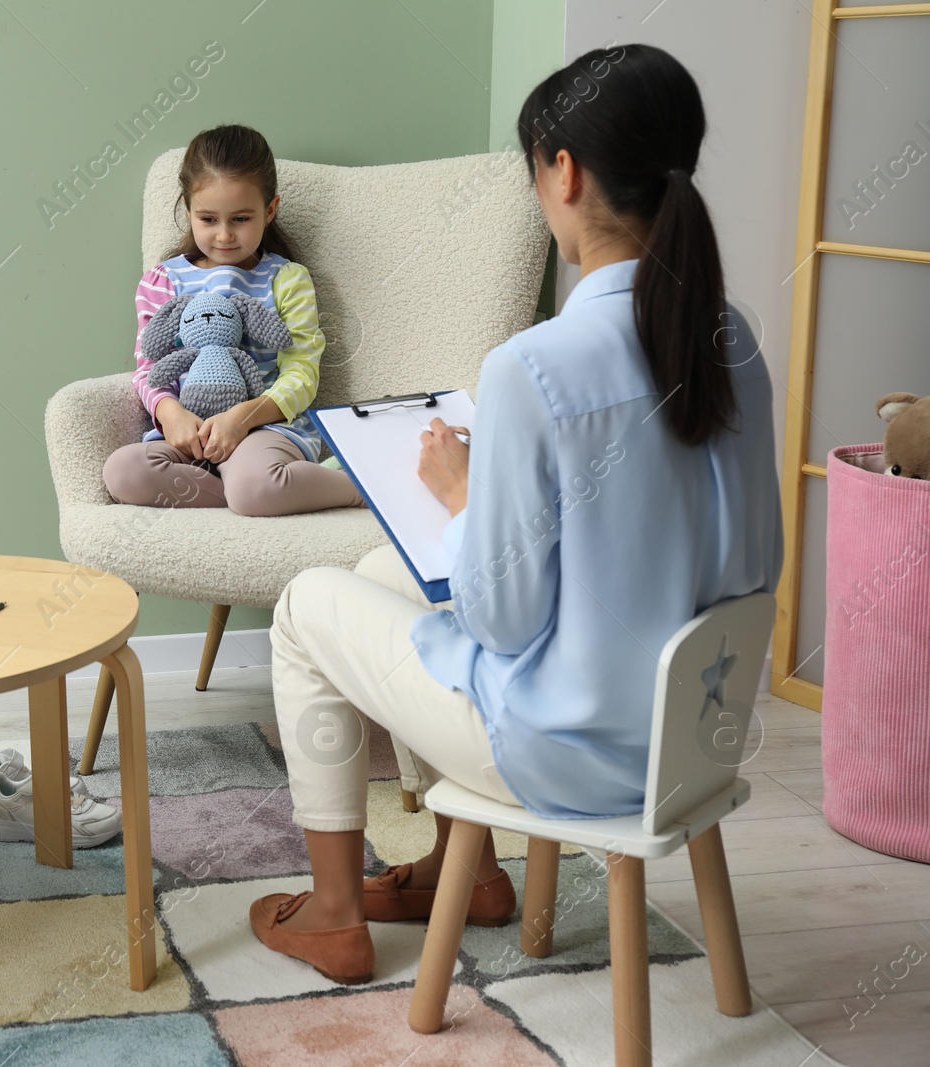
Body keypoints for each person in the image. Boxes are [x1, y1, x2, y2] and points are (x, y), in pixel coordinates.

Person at [249, 43, 784, 985]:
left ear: (564, 171)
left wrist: (464, 498)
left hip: (571, 751)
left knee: (302, 608)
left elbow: (501, 618)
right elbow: (754, 557)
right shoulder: (732, 339)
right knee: (380, 576)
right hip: (695, 737)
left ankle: (335, 913)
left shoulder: (535, 369)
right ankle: (472, 871)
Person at [102, 124, 363, 517]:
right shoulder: (163, 280)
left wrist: (242, 418)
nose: (224, 236)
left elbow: (303, 374)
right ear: (187, 210)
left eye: (241, 219)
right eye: (208, 219)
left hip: (262, 427)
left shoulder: (286, 279)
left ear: (269, 210)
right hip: (189, 432)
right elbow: (150, 368)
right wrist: (170, 414)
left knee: (254, 483)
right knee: (122, 471)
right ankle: (248, 491)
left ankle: (359, 488)